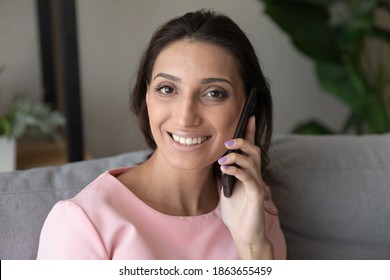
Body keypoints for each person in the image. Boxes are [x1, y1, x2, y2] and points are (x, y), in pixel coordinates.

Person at [37, 9, 286, 260]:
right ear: (146, 96)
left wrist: (253, 245)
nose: (185, 117)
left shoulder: (255, 207)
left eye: (214, 93)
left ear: (249, 106)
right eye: (167, 88)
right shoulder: (84, 222)